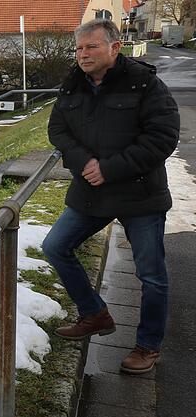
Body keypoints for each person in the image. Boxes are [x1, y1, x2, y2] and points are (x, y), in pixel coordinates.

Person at [42, 19, 180, 374]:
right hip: (91, 192)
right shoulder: (73, 84)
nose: (83, 55)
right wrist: (84, 162)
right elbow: (57, 129)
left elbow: (162, 137)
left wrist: (110, 168)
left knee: (151, 275)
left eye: (91, 47)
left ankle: (147, 347)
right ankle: (94, 314)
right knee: (55, 246)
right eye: (79, 48)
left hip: (139, 195)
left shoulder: (145, 83)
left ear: (115, 47)